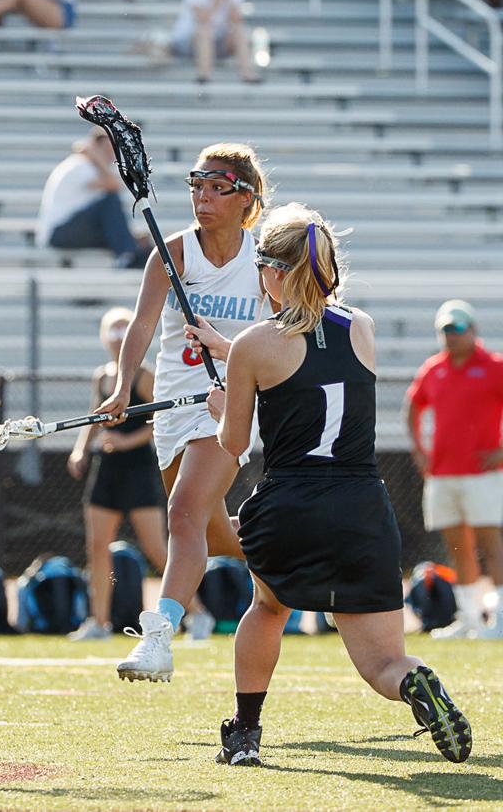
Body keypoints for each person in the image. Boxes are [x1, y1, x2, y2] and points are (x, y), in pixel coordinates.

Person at [200, 202, 471, 766]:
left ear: (274, 271)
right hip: (361, 506)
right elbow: (314, 360)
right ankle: (416, 682)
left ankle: (245, 734)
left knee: (268, 607)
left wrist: (223, 404)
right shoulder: (360, 328)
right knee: (382, 664)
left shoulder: (254, 344)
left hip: (291, 502)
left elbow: (234, 442)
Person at [97, 143, 268, 682]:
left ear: (247, 199)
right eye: (198, 187)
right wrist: (123, 387)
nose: (204, 198)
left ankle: (158, 639)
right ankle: (303, 558)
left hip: (228, 407)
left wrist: (238, 376)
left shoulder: (263, 263)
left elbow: (284, 338)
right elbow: (142, 326)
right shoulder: (170, 254)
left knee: (183, 513)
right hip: (172, 409)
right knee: (212, 537)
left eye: (218, 189)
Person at [404, 300, 503, 639]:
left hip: (483, 474)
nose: (451, 335)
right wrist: (419, 451)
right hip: (442, 475)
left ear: (473, 330)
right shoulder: (433, 369)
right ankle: (470, 618)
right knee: (458, 547)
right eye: (446, 329)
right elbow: (413, 406)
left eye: (458, 328)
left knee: (491, 544)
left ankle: (500, 618)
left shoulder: (494, 366)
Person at [67, 308, 167, 640]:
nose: (118, 336)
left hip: (138, 467)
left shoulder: (145, 375)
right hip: (107, 469)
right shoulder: (102, 376)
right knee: (98, 546)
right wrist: (81, 450)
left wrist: (127, 441)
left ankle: (195, 612)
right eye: (113, 330)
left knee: (155, 547)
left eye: (124, 329)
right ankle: (99, 622)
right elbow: (94, 418)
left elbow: (159, 420)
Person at [37, 129, 145, 269]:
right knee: (110, 201)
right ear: (95, 148)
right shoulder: (79, 165)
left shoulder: (96, 169)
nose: (111, 154)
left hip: (76, 229)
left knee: (142, 245)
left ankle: (130, 257)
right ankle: (126, 256)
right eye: (106, 149)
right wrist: (97, 158)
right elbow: (114, 186)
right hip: (59, 232)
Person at [170, 0, 261, 84]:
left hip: (219, 43)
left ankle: (247, 73)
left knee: (239, 30)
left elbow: (236, 20)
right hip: (189, 42)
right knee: (205, 30)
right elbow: (203, 19)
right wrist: (217, 0)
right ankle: (204, 75)